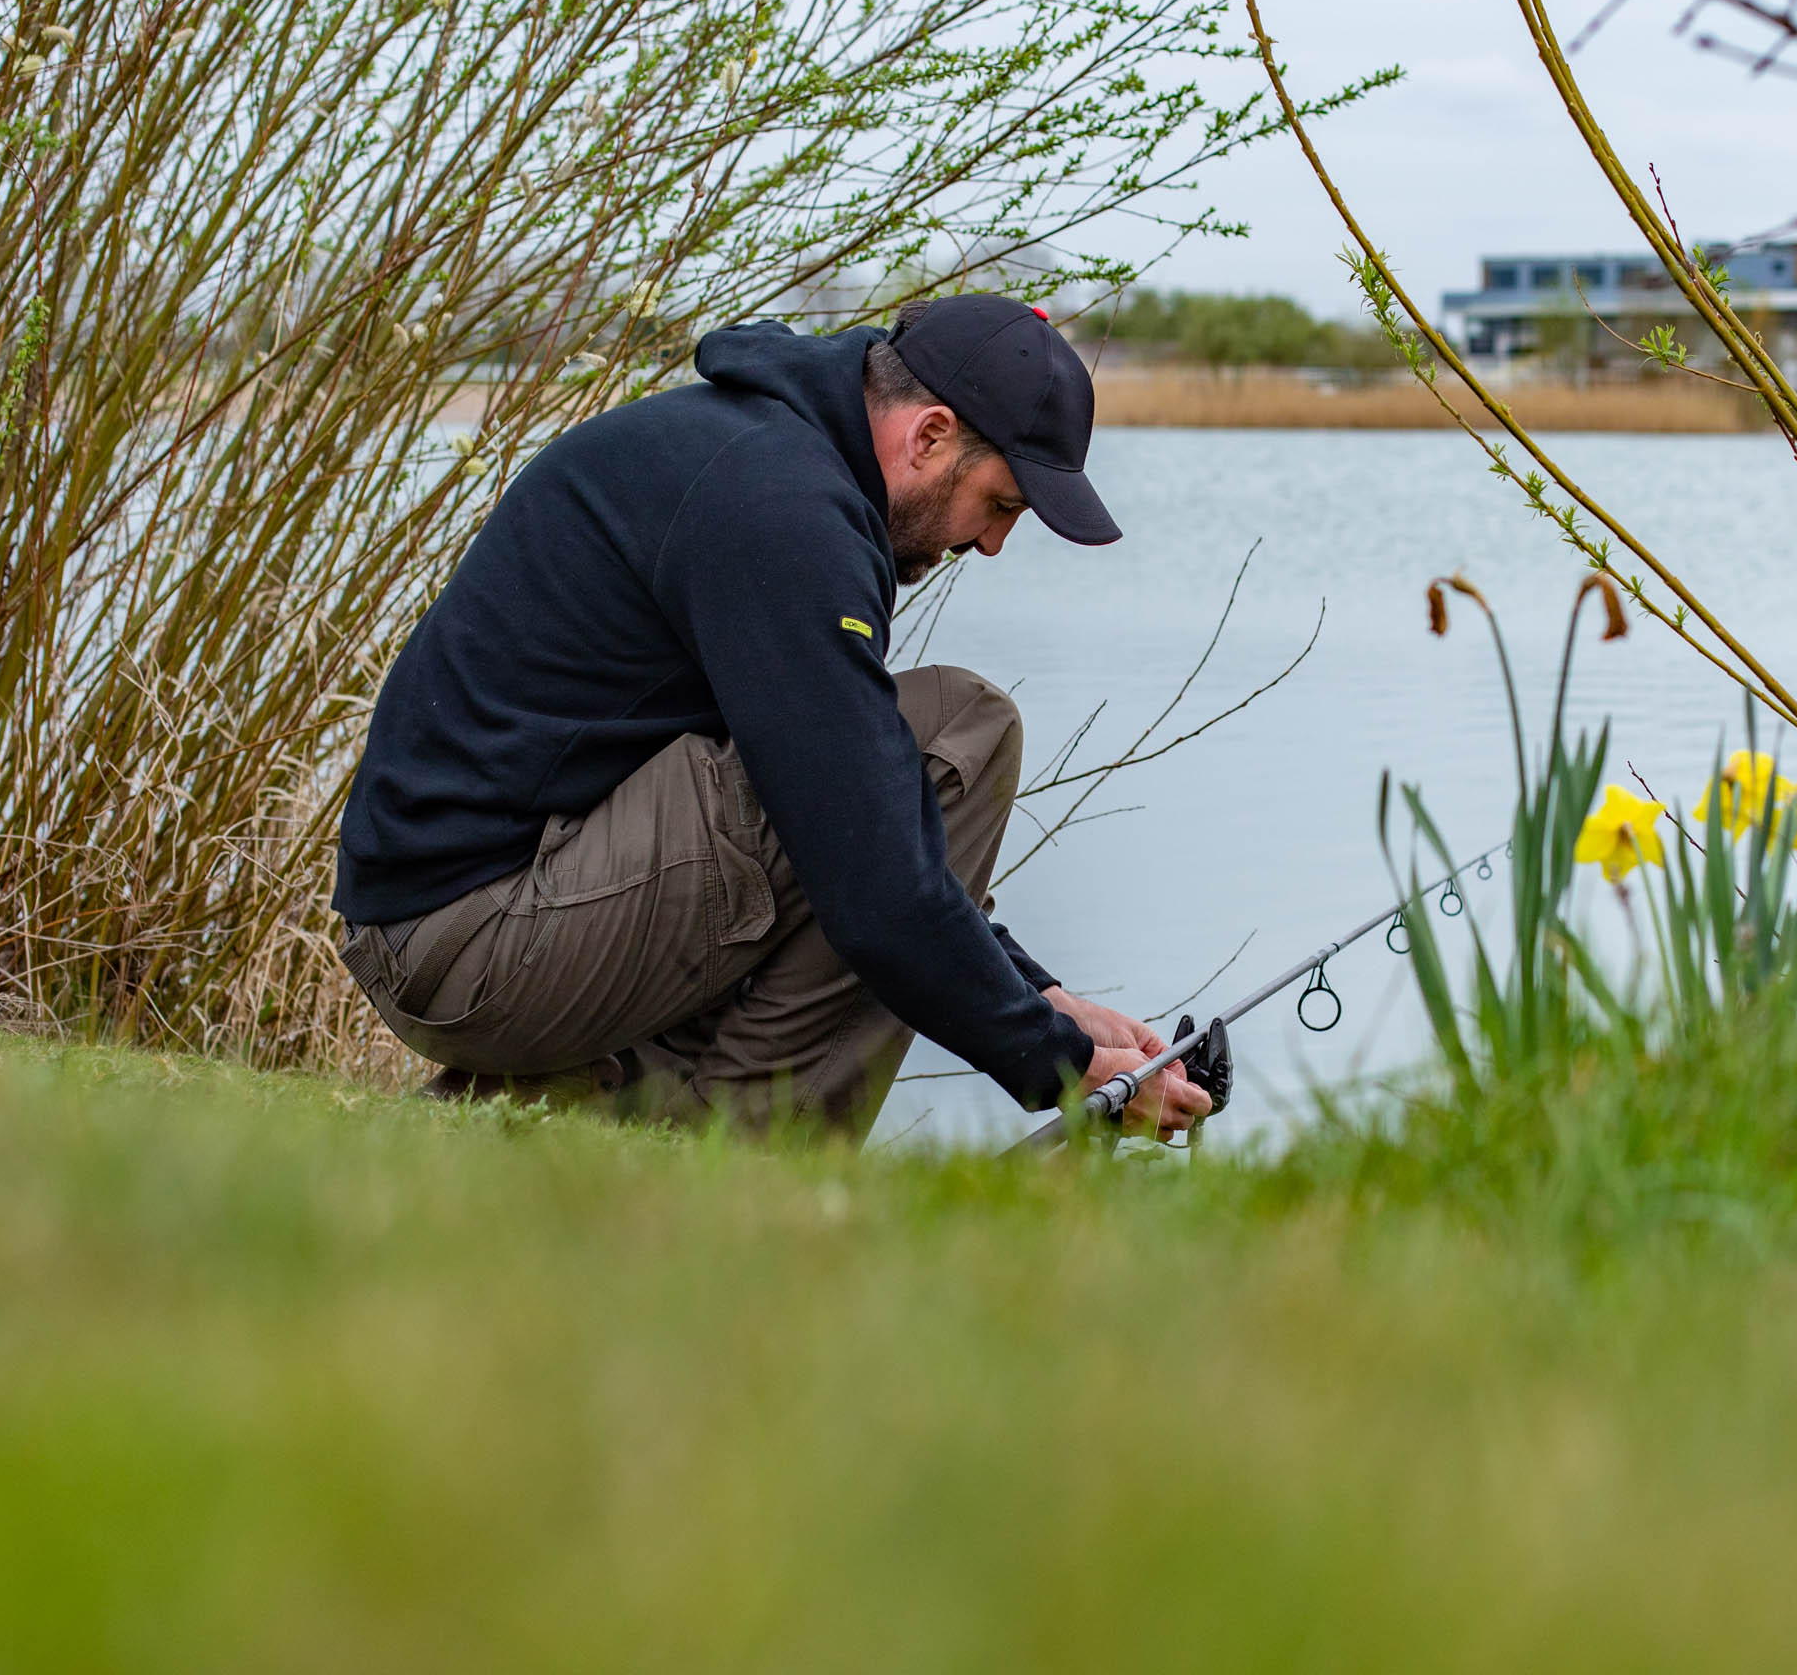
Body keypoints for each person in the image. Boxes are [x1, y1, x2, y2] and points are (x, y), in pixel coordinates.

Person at [330, 293, 1217, 1143]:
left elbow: (860, 813)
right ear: (931, 434)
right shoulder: (785, 514)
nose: (990, 544)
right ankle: (738, 1167)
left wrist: (1045, 1000)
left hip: (462, 925)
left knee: (866, 801)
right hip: (476, 945)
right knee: (963, 732)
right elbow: (873, 877)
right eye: (999, 504)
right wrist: (1057, 1066)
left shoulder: (762, 457)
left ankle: (566, 1117)